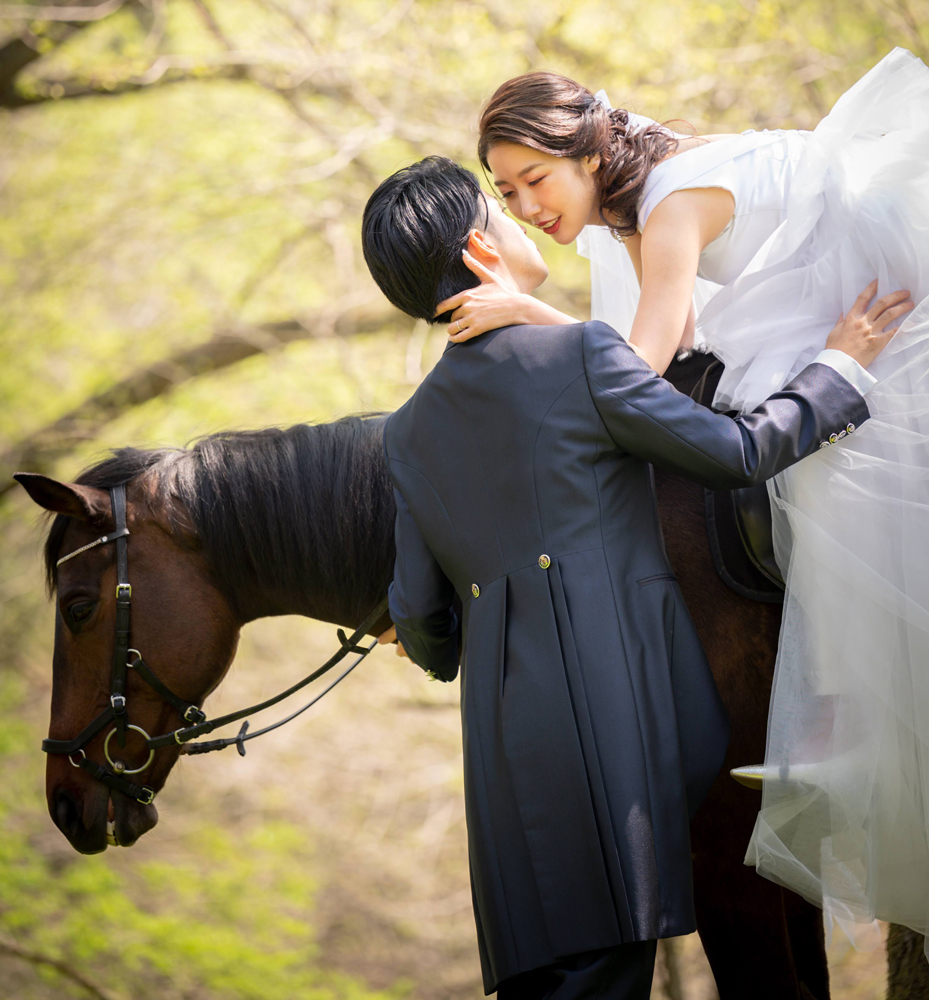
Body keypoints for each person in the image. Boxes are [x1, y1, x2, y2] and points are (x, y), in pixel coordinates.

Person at [360, 155, 902, 997]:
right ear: (479, 250)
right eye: (501, 208)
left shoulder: (407, 435)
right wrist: (836, 369)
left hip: (505, 789)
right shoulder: (577, 358)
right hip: (623, 756)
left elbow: (427, 633)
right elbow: (736, 452)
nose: (521, 216)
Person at [442, 48, 929, 949]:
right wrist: (534, 315)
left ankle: (848, 723)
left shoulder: (665, 204)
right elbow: (647, 355)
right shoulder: (631, 204)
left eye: (533, 179)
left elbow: (639, 367)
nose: (526, 208)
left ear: (587, 153)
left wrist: (518, 312)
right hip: (798, 300)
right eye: (506, 196)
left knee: (814, 477)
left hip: (865, 297)